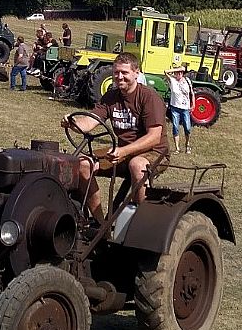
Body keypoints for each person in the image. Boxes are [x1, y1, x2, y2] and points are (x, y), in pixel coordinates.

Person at [63, 52, 168, 223]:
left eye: (125, 73)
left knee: (137, 164)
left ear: (136, 73)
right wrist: (72, 122)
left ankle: (143, 224)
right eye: (116, 72)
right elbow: (90, 122)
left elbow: (154, 137)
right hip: (122, 152)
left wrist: (124, 151)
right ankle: (100, 224)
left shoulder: (149, 97)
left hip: (154, 153)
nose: (120, 77)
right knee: (82, 163)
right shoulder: (111, 97)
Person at [164, 64, 195, 154]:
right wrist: (174, 70)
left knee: (187, 127)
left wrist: (193, 104)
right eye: (178, 73)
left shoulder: (187, 81)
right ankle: (177, 148)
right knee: (175, 127)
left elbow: (192, 93)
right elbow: (165, 71)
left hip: (185, 108)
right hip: (175, 108)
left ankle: (187, 144)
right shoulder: (172, 80)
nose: (179, 74)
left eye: (181, 72)